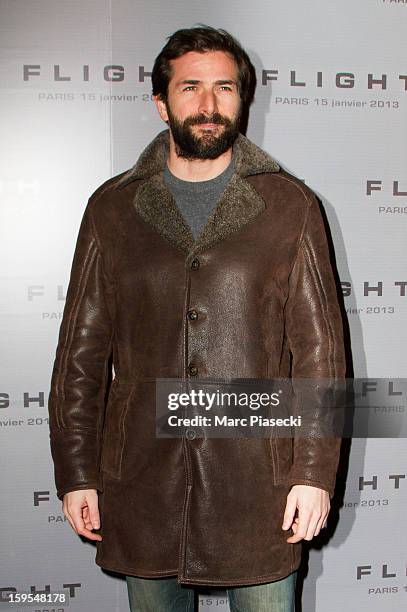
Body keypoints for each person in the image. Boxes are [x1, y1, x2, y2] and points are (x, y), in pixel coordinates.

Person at [48, 25, 346, 612]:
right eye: (191, 88)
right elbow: (81, 353)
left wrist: (313, 472)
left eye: (225, 88)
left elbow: (320, 352)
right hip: (140, 478)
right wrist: (77, 470)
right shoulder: (113, 208)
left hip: (258, 482)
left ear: (243, 99)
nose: (209, 106)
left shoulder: (290, 205)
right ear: (160, 103)